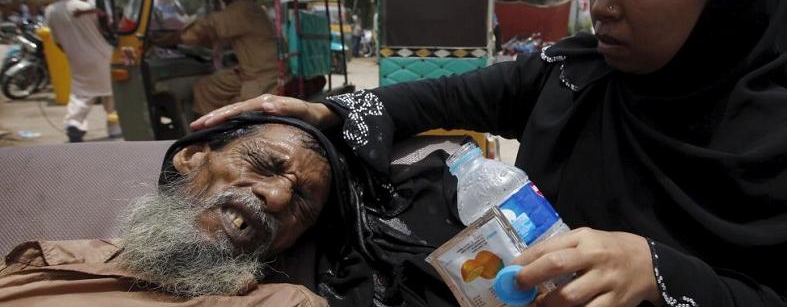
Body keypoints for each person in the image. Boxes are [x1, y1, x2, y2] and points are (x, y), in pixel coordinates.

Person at [191, 0, 787, 305]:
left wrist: (658, 272)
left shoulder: (770, 134)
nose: (602, 4)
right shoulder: (576, 75)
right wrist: (332, 112)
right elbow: (442, 96)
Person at [0, 114, 464, 306]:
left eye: (302, 202)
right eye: (264, 164)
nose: (278, 198)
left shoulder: (282, 304)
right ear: (191, 157)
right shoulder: (45, 264)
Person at [152, 0, 281, 116]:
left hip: (262, 76)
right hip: (253, 70)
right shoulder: (243, 6)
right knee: (205, 86)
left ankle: (209, 133)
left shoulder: (242, 9)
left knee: (205, 90)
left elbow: (208, 27)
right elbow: (218, 37)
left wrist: (168, 39)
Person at [45, 0, 121, 142]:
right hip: (103, 55)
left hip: (76, 58)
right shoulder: (86, 8)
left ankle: (74, 124)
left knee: (81, 95)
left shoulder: (50, 11)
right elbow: (107, 28)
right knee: (112, 95)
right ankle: (115, 128)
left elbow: (57, 41)